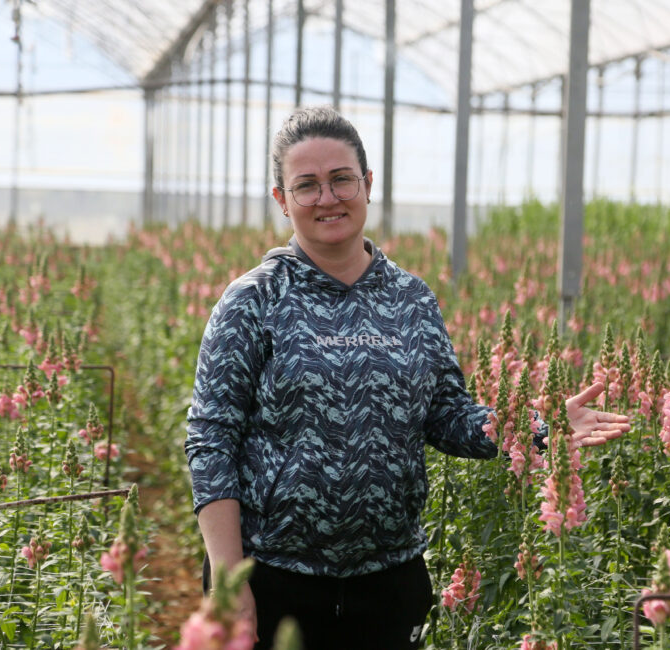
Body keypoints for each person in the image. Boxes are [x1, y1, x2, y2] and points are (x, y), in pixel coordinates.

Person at [185, 105, 631, 650]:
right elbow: (211, 440)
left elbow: (447, 415)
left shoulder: (411, 299)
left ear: (368, 184)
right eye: (307, 186)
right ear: (282, 199)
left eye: (342, 179)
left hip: (389, 581)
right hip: (274, 576)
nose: (328, 198)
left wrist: (537, 427)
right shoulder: (254, 299)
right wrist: (228, 580)